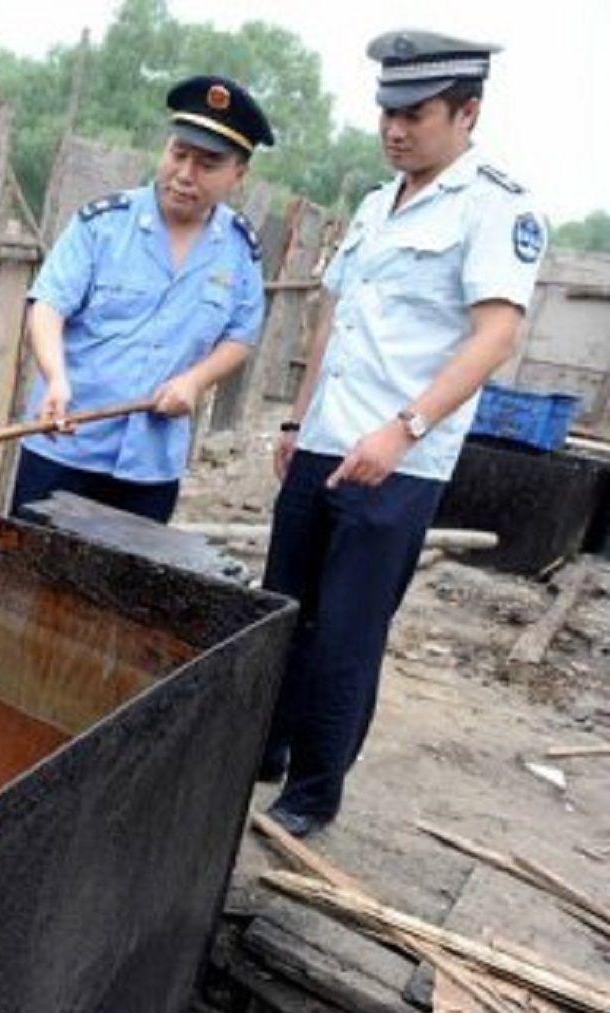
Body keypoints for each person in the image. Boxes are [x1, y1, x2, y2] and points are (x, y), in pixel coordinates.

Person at [259, 31, 547, 837]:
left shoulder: (495, 206)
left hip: (397, 459)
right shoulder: (373, 203)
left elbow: (493, 336)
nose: (393, 129)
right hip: (323, 440)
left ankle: (312, 793)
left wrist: (403, 428)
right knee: (282, 607)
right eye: (386, 112)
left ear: (466, 112)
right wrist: (295, 416)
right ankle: (266, 748)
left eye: (413, 114)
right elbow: (333, 318)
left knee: (346, 630)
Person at [10, 75, 274, 524]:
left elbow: (240, 336)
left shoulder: (239, 250)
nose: (185, 175)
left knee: (128, 590)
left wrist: (195, 381)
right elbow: (48, 305)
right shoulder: (102, 226)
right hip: (66, 445)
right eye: (179, 154)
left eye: (208, 164)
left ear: (239, 173)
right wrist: (55, 377)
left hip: (151, 466)